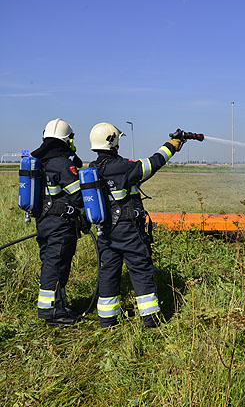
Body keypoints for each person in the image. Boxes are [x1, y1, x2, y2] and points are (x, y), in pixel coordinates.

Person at [88, 123, 183, 328]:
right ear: (112, 141)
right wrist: (172, 145)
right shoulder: (122, 166)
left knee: (109, 271)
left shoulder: (92, 169)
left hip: (105, 230)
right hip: (127, 229)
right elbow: (153, 163)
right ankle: (150, 320)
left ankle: (107, 320)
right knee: (140, 268)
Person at [31, 118, 84, 326]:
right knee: (57, 265)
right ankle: (52, 313)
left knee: (51, 263)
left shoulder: (40, 161)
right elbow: (78, 196)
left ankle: (58, 305)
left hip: (44, 222)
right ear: (66, 139)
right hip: (60, 225)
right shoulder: (62, 163)